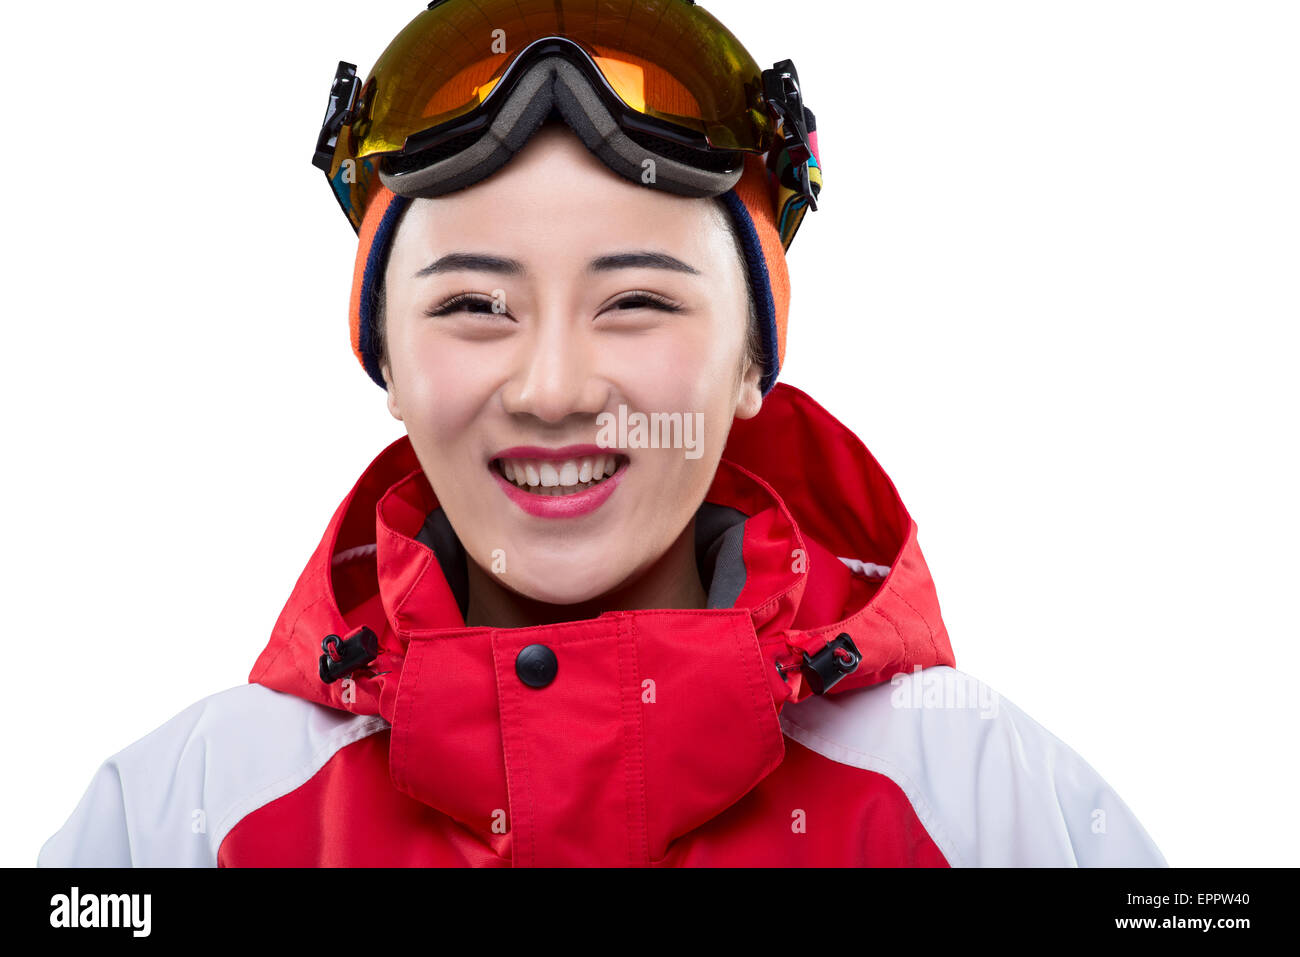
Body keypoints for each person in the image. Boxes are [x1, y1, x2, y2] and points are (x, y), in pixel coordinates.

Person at [38, 0, 1165, 867]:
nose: (554, 387)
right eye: (474, 307)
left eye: (635, 302)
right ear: (383, 358)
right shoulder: (182, 819)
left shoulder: (981, 802)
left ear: (747, 363)